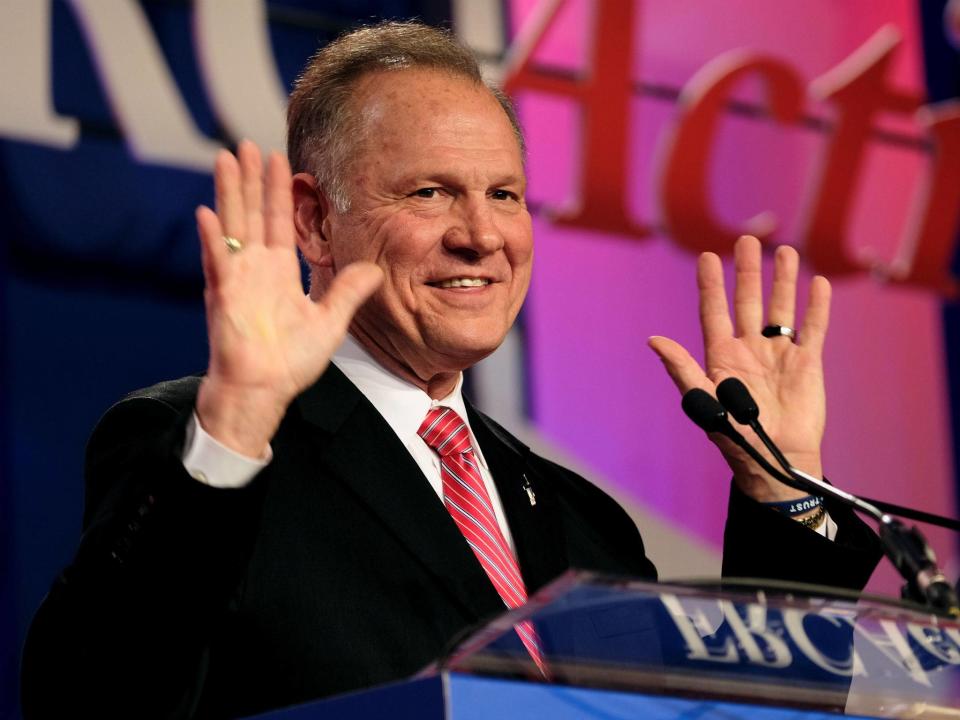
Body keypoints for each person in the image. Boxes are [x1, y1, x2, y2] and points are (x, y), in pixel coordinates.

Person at [20, 21, 880, 720]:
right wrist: (238, 421)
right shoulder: (210, 449)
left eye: (504, 194)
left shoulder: (587, 526)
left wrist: (785, 489)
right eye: (430, 192)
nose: (482, 235)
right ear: (316, 224)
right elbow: (90, 702)